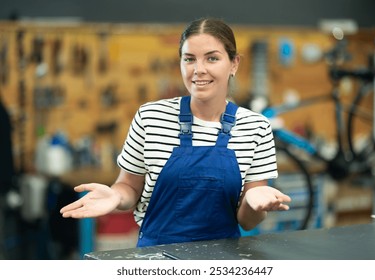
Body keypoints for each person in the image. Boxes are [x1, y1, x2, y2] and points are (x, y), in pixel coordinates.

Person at [60, 17, 291, 247]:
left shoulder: (256, 127)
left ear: (234, 64)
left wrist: (253, 203)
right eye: (189, 59)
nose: (199, 70)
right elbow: (129, 185)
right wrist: (116, 196)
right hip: (156, 258)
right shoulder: (150, 117)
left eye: (212, 58)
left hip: (223, 260)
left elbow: (248, 222)